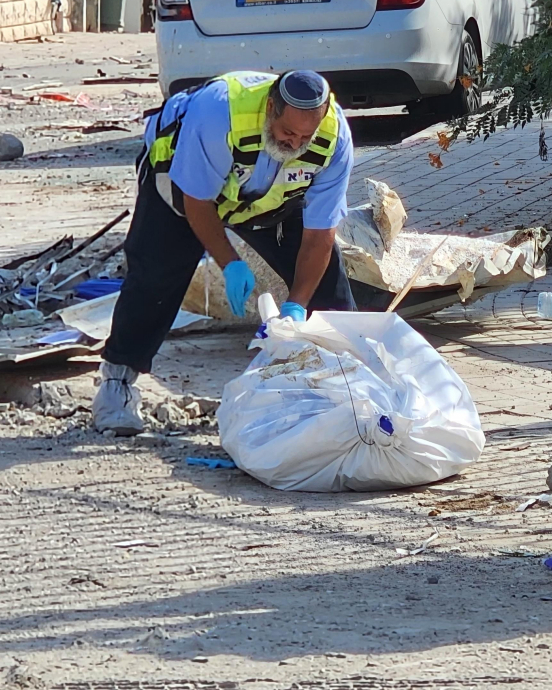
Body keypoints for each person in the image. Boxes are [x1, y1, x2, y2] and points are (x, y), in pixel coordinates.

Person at [93, 70, 357, 436]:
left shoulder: (334, 138)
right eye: (287, 132)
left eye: (304, 137)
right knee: (154, 279)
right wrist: (230, 263)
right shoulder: (219, 112)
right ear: (270, 108)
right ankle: (116, 384)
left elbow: (319, 235)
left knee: (329, 287)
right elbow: (197, 204)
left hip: (269, 199)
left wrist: (296, 304)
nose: (296, 143)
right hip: (182, 187)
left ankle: (347, 388)